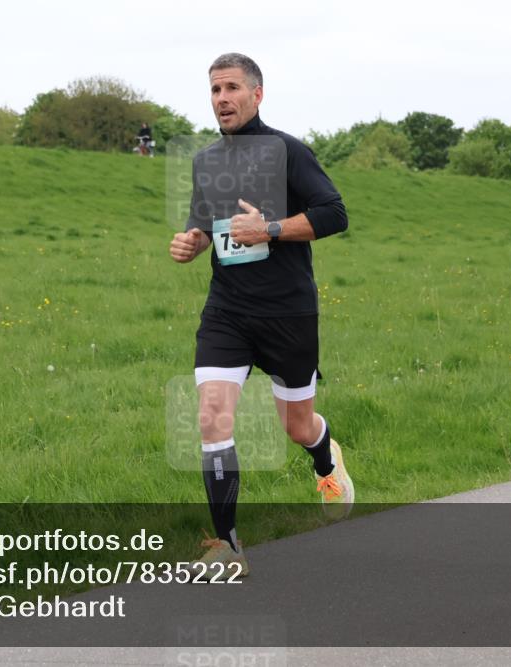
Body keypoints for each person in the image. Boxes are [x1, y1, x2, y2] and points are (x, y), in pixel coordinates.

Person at [169, 53, 353, 578]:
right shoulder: (206, 161)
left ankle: (324, 459)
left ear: (257, 94)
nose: (221, 99)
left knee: (296, 426)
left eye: (231, 88)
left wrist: (269, 229)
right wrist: (193, 241)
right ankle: (227, 544)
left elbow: (334, 214)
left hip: (288, 312)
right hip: (228, 309)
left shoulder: (287, 151)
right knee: (210, 416)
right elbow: (203, 222)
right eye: (214, 90)